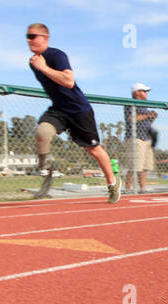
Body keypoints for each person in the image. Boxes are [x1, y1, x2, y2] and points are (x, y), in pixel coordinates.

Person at [26, 23, 120, 203]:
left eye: (33, 36)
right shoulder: (33, 62)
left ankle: (113, 183)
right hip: (59, 109)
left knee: (93, 149)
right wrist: (39, 66)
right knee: (42, 132)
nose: (29, 40)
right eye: (27, 37)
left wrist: (44, 67)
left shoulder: (56, 55)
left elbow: (68, 81)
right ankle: (45, 169)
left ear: (45, 38)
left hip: (78, 110)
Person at [124, 83, 157, 194]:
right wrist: (147, 115)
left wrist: (151, 117)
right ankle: (128, 189)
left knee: (145, 167)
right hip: (135, 138)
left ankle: (143, 189)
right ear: (137, 92)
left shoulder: (144, 106)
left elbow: (145, 121)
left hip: (146, 138)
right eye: (144, 91)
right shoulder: (130, 104)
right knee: (135, 166)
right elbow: (131, 118)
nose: (146, 93)